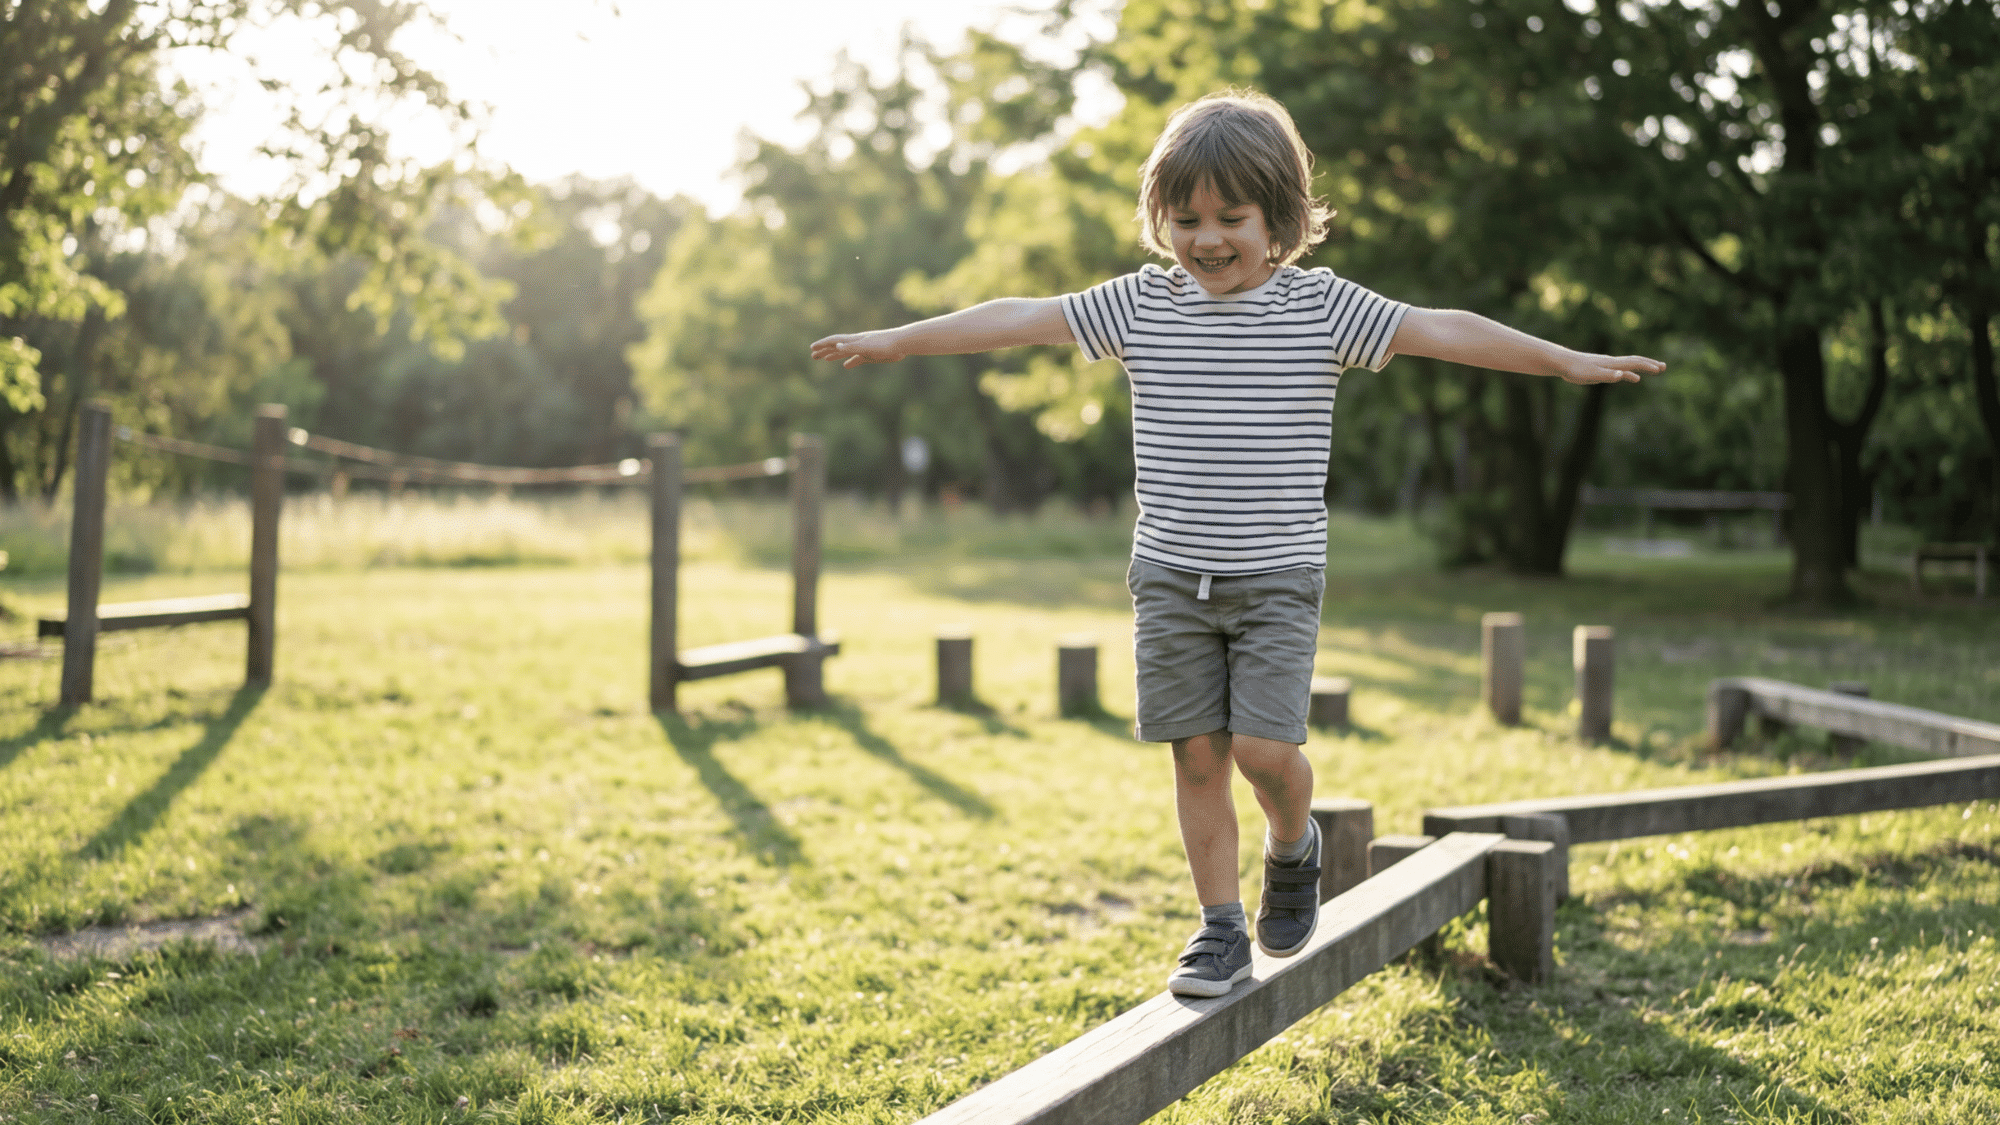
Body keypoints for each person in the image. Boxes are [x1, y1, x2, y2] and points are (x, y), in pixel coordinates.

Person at [810, 89, 1661, 998]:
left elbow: (1442, 329)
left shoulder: (1322, 309)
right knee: (1198, 755)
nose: (1206, 238)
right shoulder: (1142, 304)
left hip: (1278, 578)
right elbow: (1022, 316)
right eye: (1185, 219)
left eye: (1231, 217)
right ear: (1160, 220)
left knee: (1262, 753)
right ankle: (1218, 930)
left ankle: (1295, 844)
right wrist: (900, 340)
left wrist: (1564, 359)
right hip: (1171, 576)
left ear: (1282, 220)